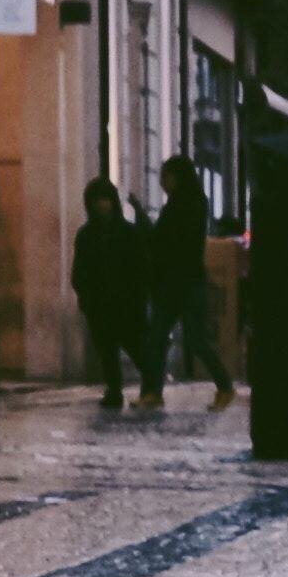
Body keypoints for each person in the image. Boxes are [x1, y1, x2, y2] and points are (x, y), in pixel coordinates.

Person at [143, 151, 234, 408]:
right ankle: (152, 392)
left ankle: (225, 386)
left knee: (194, 340)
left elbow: (170, 240)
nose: (161, 181)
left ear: (177, 177)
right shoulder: (181, 203)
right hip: (175, 281)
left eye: (165, 176)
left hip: (185, 281)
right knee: (159, 336)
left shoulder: (189, 204)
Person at [73, 175, 149, 412]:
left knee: (136, 347)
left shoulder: (129, 233)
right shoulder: (86, 235)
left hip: (127, 302)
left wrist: (139, 297)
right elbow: (80, 270)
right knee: (107, 350)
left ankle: (150, 388)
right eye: (96, 200)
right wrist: (85, 297)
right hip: (99, 302)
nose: (101, 205)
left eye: (105, 199)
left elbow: (140, 268)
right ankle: (114, 390)